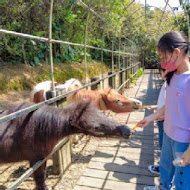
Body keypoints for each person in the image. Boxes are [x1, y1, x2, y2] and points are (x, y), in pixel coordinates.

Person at [138, 31, 190, 190]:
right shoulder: (172, 76)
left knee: (182, 178)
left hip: (183, 142)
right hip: (168, 134)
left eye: (164, 57)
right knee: (165, 167)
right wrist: (151, 117)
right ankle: (162, 187)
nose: (162, 62)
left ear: (176, 52)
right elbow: (170, 105)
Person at [147, 68, 166, 175]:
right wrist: (156, 108)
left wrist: (163, 116)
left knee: (164, 146)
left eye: (161, 72)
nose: (161, 74)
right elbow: (166, 104)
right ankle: (163, 166)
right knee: (163, 144)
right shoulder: (167, 84)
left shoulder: (170, 85)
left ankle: (162, 168)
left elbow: (173, 105)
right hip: (161, 118)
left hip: (164, 121)